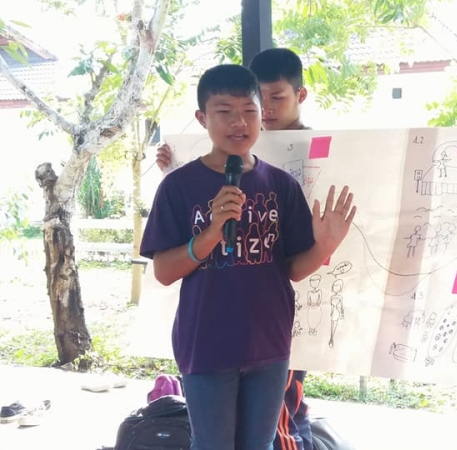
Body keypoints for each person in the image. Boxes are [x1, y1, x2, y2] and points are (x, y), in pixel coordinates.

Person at [140, 63, 356, 450]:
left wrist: (323, 248)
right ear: (202, 118)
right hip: (206, 345)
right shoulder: (178, 187)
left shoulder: (281, 184)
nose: (239, 122)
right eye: (225, 111)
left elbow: (291, 269)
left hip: (269, 346)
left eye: (249, 111)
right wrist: (211, 233)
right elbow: (164, 272)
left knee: (261, 444)